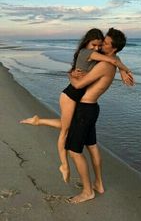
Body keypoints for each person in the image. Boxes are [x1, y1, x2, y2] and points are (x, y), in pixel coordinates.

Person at [20, 28, 133, 185]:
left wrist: (71, 75)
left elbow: (81, 83)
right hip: (79, 101)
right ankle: (77, 172)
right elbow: (114, 61)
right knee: (76, 137)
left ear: (113, 48)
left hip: (83, 104)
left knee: (73, 139)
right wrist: (122, 70)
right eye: (97, 44)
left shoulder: (104, 63)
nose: (99, 47)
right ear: (88, 42)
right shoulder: (99, 57)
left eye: (104, 44)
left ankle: (39, 122)